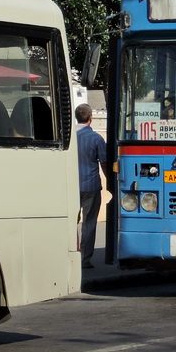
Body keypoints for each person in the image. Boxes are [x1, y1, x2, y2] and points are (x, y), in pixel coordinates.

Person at [76, 103, 107, 269]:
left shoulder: (69, 138)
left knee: (71, 222)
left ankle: (70, 255)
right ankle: (84, 259)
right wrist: (111, 182)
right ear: (90, 118)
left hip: (71, 186)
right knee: (89, 222)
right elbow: (104, 163)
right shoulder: (96, 138)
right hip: (91, 186)